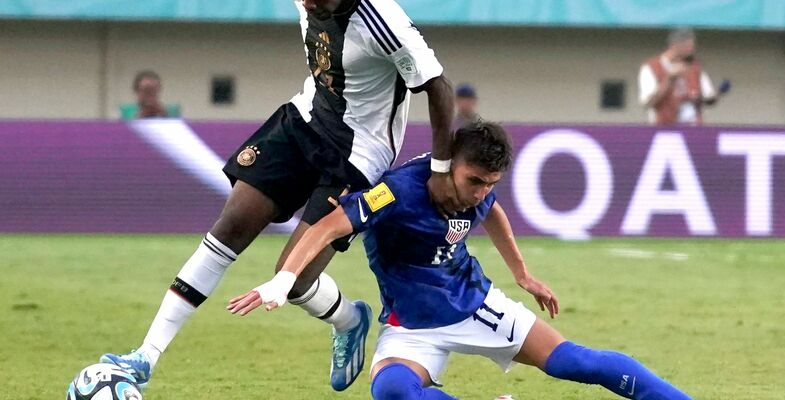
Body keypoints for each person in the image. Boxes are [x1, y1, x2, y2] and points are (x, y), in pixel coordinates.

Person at [101, 0, 464, 392]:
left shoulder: (382, 20)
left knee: (293, 275)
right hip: (304, 120)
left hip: (358, 153)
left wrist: (442, 172)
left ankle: (348, 320)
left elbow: (439, 87)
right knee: (232, 225)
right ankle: (145, 356)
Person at [229, 122, 694, 400]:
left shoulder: (475, 192)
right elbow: (330, 226)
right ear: (447, 163)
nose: (481, 193)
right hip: (411, 325)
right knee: (391, 391)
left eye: (491, 183)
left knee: (577, 363)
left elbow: (495, 215)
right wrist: (284, 278)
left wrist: (522, 274)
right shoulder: (397, 192)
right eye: (475, 181)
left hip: (476, 306)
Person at [638, 28, 729, 125]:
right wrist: (669, 80)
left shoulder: (695, 67)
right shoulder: (651, 67)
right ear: (675, 45)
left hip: (693, 130)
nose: (692, 49)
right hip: (664, 129)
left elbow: (708, 97)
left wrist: (719, 92)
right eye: (688, 45)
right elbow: (649, 102)